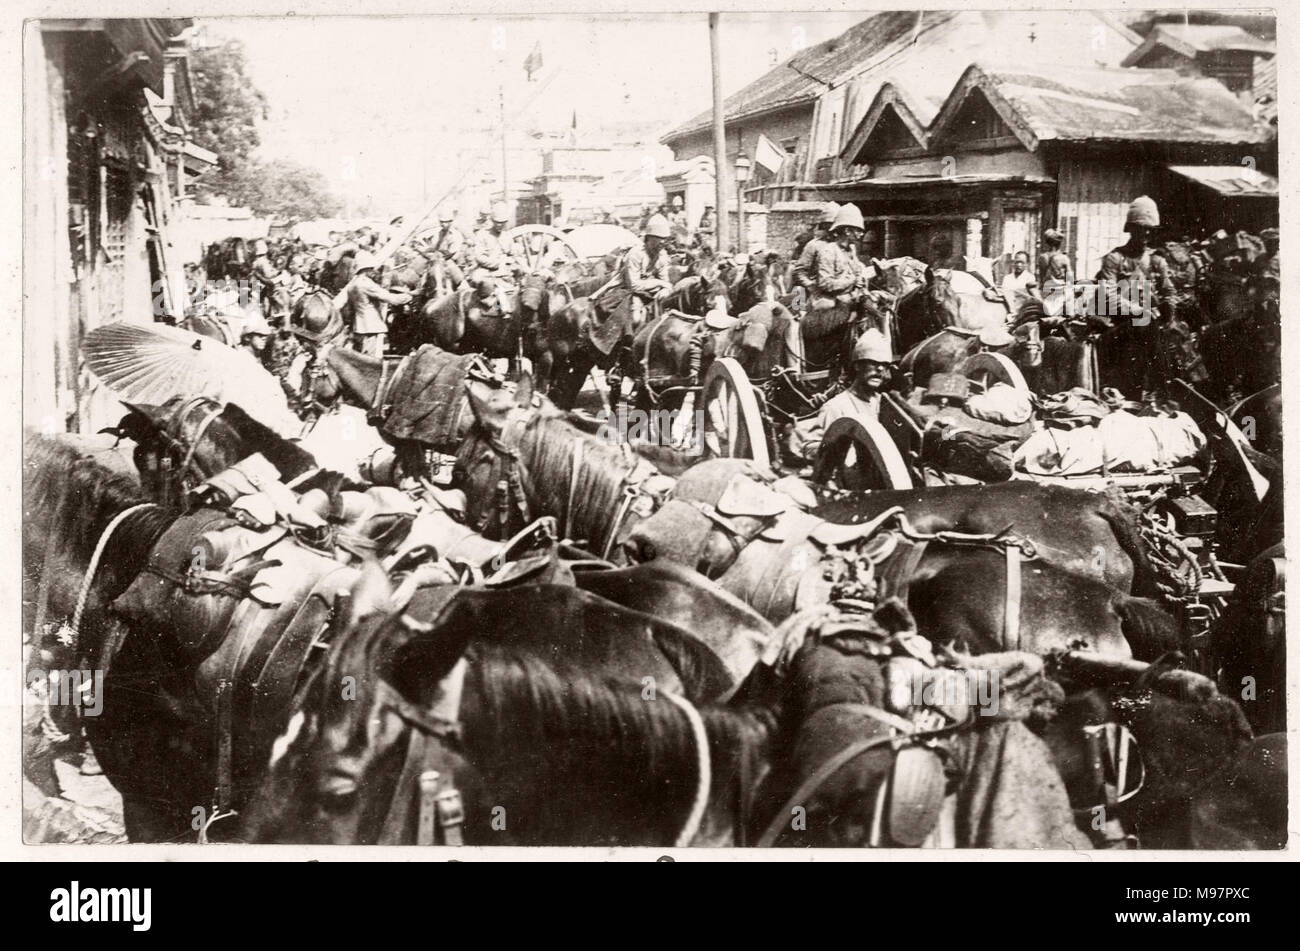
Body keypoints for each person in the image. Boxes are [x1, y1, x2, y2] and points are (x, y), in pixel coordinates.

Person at [788, 328, 894, 465]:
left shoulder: (884, 404)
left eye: (884, 365)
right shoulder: (836, 407)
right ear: (857, 366)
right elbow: (810, 447)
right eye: (873, 363)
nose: (880, 369)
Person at [809, 204, 871, 321]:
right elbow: (825, 283)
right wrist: (851, 281)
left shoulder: (852, 250)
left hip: (852, 298)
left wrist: (861, 280)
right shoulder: (828, 250)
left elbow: (857, 272)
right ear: (847, 231)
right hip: (831, 300)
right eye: (858, 230)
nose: (861, 234)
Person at [346, 250, 411, 357]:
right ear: (365, 268)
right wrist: (408, 296)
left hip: (358, 326)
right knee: (372, 359)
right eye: (371, 268)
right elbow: (391, 299)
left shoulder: (352, 284)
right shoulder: (366, 284)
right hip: (371, 327)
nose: (373, 270)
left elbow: (350, 308)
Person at [792, 203, 838, 287]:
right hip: (820, 291)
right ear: (823, 225)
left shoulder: (846, 246)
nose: (832, 227)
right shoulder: (814, 245)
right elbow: (800, 271)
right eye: (828, 224)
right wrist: (811, 286)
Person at [428, 205, 468, 291]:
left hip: (452, 262)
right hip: (438, 260)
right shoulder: (438, 234)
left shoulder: (456, 235)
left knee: (450, 267)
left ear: (450, 222)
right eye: (442, 222)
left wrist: (440, 254)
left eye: (446, 222)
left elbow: (454, 255)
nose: (443, 224)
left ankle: (462, 284)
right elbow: (433, 248)